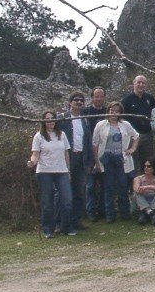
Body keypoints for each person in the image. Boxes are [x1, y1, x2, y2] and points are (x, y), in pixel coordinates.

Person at [29, 110, 74, 238]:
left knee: (67, 200)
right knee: (47, 203)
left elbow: (66, 153)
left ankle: (66, 227)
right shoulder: (39, 136)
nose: (50, 122)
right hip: (45, 172)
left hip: (61, 171)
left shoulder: (62, 134)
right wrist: (32, 162)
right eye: (47, 119)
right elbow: (35, 154)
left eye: (52, 119)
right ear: (43, 122)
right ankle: (48, 229)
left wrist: (68, 170)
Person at [93, 102, 140, 223]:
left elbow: (136, 136)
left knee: (122, 186)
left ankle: (125, 212)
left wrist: (132, 149)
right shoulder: (100, 125)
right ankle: (110, 214)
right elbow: (95, 144)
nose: (114, 113)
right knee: (108, 187)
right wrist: (97, 163)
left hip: (121, 159)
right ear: (108, 111)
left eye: (116, 111)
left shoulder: (125, 125)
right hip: (106, 159)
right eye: (112, 110)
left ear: (120, 113)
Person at [59, 91, 93, 230]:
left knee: (79, 191)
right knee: (62, 191)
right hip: (67, 158)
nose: (79, 102)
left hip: (81, 159)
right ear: (70, 102)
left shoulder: (84, 120)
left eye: (81, 100)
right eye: (76, 100)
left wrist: (89, 162)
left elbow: (88, 141)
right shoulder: (62, 119)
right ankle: (60, 223)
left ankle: (76, 221)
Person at [81, 87, 108, 222]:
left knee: (104, 184)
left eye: (101, 96)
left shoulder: (107, 112)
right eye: (96, 96)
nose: (99, 99)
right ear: (92, 97)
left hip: (104, 152)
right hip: (89, 152)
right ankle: (91, 211)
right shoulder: (85, 112)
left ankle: (103, 210)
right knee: (90, 186)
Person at [121, 75, 155, 167]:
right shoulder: (126, 100)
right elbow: (121, 118)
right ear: (134, 84)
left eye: (143, 83)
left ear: (146, 85)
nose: (141, 85)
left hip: (147, 136)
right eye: (139, 82)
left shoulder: (149, 98)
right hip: (132, 137)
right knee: (132, 161)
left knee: (147, 162)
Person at [133, 157, 155, 225]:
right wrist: (141, 190)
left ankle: (146, 213)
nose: (146, 168)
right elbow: (136, 188)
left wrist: (148, 187)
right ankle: (150, 213)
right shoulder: (138, 178)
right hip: (142, 203)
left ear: (154, 167)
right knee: (136, 193)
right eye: (145, 166)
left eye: (149, 166)